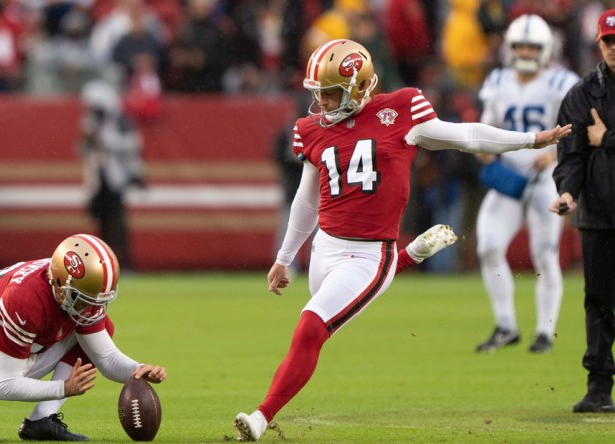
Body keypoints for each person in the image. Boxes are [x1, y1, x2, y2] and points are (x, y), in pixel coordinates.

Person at [233, 38, 572, 441]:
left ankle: (260, 417)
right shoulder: (310, 130)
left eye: (329, 93)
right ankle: (406, 258)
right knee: (320, 323)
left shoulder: (401, 109)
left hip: (368, 254)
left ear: (358, 86)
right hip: (326, 246)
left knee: (310, 329)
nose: (320, 103)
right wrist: (285, 256)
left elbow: (466, 136)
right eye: (317, 93)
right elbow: (306, 199)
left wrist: (531, 139)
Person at [0, 234, 167, 442]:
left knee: (93, 335)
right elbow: (5, 385)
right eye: (84, 300)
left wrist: (137, 370)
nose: (91, 308)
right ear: (61, 284)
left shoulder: (73, 287)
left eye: (96, 300)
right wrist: (63, 388)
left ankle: (42, 420)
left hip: (19, 352)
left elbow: (106, 357)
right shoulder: (26, 299)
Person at [474, 14, 579, 354]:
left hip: (545, 178)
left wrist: (554, 153)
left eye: (533, 46)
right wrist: (485, 153)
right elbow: (487, 127)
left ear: (546, 49)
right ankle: (506, 325)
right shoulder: (497, 80)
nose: (527, 52)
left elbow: (576, 126)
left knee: (544, 253)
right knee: (488, 245)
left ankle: (545, 332)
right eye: (521, 45)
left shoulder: (561, 81)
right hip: (509, 177)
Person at [550, 8, 615, 414]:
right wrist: (568, 192)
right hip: (598, 212)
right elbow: (571, 153)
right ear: (599, 43)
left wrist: (608, 139)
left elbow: (596, 141)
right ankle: (599, 388)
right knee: (598, 302)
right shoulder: (582, 93)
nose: (614, 50)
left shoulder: (584, 93)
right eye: (609, 42)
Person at [79, 80, 144, 271]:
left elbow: (133, 144)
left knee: (118, 222)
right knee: (101, 223)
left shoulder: (120, 120)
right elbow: (82, 149)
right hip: (98, 179)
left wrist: (105, 142)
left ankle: (124, 263)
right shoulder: (90, 123)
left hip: (116, 177)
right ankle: (104, 265)